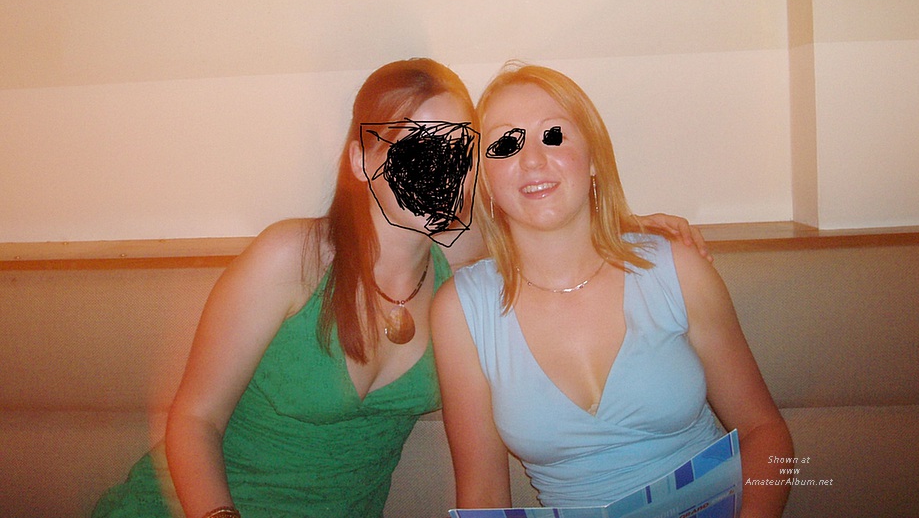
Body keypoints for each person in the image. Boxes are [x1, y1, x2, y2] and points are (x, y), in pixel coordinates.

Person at [93, 58, 709, 518]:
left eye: (457, 146)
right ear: (362, 161)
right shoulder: (290, 258)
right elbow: (194, 418)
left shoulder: (466, 266)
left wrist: (630, 223)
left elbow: (548, 221)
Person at [431, 63, 793, 518]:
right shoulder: (461, 311)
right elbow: (483, 497)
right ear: (484, 176)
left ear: (593, 158)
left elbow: (765, 432)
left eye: (553, 135)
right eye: (505, 144)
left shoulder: (677, 268)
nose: (532, 159)